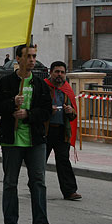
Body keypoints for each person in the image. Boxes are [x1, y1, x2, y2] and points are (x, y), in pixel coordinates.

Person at [0, 44, 54, 224]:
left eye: (34, 56)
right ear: (18, 58)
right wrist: (12, 103)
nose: (32, 60)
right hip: (12, 141)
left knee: (38, 182)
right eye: (28, 56)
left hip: (35, 140)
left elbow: (46, 111)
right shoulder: (6, 83)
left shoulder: (40, 84)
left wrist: (28, 114)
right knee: (10, 183)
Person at [44, 61, 81, 201]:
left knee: (63, 161)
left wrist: (70, 111)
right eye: (57, 72)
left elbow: (73, 115)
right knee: (40, 161)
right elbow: (37, 107)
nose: (59, 75)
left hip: (62, 132)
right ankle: (36, 186)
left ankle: (70, 191)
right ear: (51, 72)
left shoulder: (67, 90)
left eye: (62, 72)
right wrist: (48, 110)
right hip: (45, 131)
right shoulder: (43, 87)